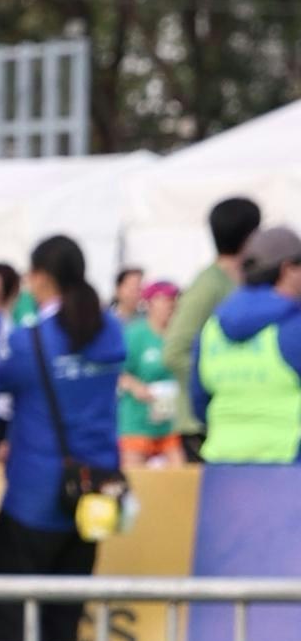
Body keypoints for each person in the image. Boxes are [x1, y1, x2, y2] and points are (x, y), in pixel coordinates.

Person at [0, 233, 126, 641]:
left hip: (36, 494)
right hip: (95, 489)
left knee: (13, 619)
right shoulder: (111, 332)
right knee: (65, 616)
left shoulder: (29, 340)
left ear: (42, 277)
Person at [194, 221, 301, 464]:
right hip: (287, 464)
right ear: (287, 269)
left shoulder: (212, 328)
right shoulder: (293, 326)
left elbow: (199, 402)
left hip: (222, 466)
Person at [168, 196, 265, 455]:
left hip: (234, 420)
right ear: (248, 235)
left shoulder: (243, 281)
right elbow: (174, 351)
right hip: (201, 425)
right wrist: (215, 380)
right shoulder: (208, 285)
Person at [119, 281, 182, 469]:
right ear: (149, 303)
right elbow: (118, 372)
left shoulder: (178, 336)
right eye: (164, 300)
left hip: (169, 422)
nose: (169, 305)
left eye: (173, 300)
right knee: (135, 479)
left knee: (179, 475)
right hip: (138, 422)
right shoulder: (135, 334)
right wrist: (136, 386)